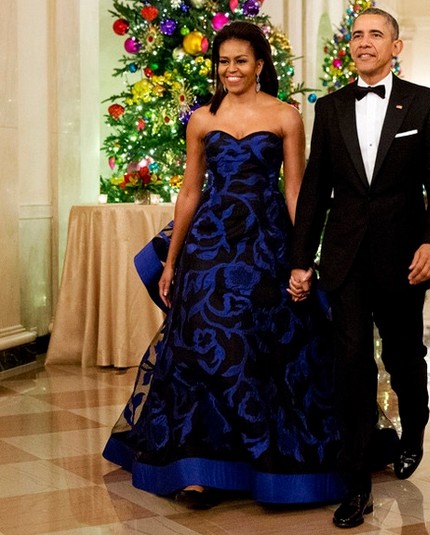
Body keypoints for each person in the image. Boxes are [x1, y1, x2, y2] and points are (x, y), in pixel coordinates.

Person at [102, 21, 347, 508]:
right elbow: (190, 192)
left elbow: (295, 190)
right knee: (198, 342)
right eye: (223, 61)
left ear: (259, 65)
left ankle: (260, 462)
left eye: (240, 61)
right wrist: (171, 261)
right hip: (209, 245)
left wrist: (304, 256)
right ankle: (196, 468)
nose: (230, 70)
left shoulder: (286, 116)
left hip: (265, 244)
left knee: (255, 347)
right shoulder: (200, 119)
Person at [289, 8, 430, 529]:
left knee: (404, 356)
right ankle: (357, 483)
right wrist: (301, 260)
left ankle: (415, 427)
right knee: (352, 365)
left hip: (404, 256)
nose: (364, 42)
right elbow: (315, 188)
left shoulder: (426, 103)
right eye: (358, 35)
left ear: (395, 46)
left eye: (376, 34)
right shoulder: (331, 107)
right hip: (345, 259)